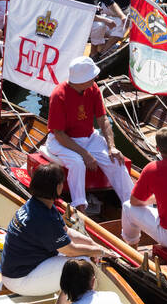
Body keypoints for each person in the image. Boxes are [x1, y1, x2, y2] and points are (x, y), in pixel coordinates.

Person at [0, 164, 108, 296]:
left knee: (81, 256)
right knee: (83, 263)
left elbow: (66, 232)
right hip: (21, 280)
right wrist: (100, 251)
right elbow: (70, 250)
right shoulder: (44, 217)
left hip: (16, 271)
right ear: (58, 187)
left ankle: (66, 294)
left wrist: (93, 244)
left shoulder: (36, 204)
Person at [43, 57, 134, 213]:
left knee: (116, 161)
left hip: (89, 137)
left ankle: (132, 206)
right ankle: (80, 207)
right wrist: (85, 154)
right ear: (81, 80)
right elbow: (58, 133)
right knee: (77, 163)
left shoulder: (93, 89)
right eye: (92, 76)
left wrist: (112, 147)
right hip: (62, 141)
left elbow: (103, 119)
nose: (96, 78)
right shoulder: (59, 95)